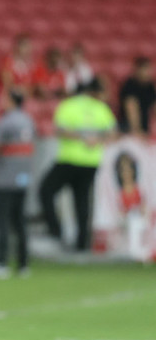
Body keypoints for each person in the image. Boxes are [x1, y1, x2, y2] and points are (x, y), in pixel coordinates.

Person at [38, 78, 116, 253]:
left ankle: (55, 230)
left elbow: (60, 130)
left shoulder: (68, 105)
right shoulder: (101, 108)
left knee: (46, 190)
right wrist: (96, 139)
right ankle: (82, 243)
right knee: (82, 202)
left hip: (69, 159)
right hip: (91, 162)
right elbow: (112, 132)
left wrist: (80, 137)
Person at [0, 90, 36, 279]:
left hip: (5, 178)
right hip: (23, 178)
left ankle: (1, 263)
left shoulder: (5, 122)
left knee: (3, 222)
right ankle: (23, 265)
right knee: (20, 221)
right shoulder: (28, 120)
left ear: (11, 101)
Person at [117, 56, 155, 138]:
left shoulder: (150, 86)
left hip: (144, 129)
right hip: (128, 129)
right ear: (137, 70)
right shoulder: (130, 86)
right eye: (145, 69)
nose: (148, 73)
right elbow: (131, 108)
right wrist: (137, 131)